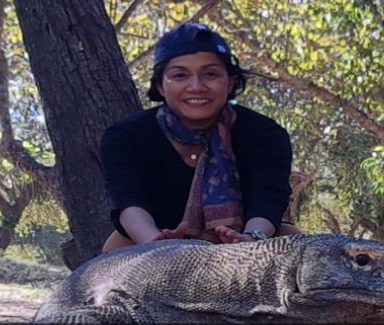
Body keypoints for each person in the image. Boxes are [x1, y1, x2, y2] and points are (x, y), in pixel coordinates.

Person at [99, 23, 297, 253]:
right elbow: (127, 201)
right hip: (150, 240)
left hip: (248, 239)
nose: (196, 86)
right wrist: (153, 241)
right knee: (111, 254)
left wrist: (250, 239)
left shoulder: (266, 135)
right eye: (180, 75)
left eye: (210, 74)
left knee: (296, 243)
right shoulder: (124, 136)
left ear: (230, 81)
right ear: (160, 85)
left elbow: (269, 199)